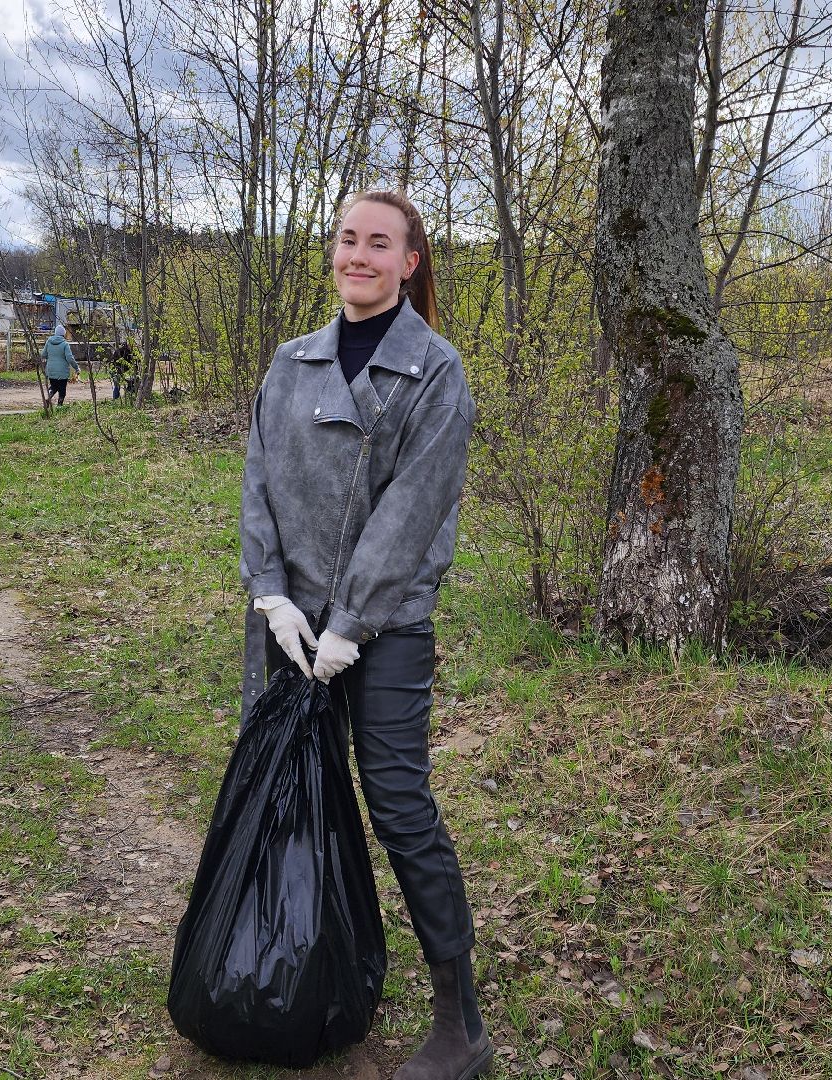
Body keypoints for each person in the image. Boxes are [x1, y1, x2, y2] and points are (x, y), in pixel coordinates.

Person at [238, 190, 489, 1080]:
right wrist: (271, 595)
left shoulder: (436, 373)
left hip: (383, 630)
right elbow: (258, 479)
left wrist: (349, 624)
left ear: (409, 263)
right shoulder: (291, 362)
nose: (359, 255)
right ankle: (287, 977)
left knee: (398, 807)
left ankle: (459, 1024)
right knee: (288, 791)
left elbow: (412, 513)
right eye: (348, 239)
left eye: (379, 243)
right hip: (289, 625)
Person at [43, 324, 74, 406]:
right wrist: (76, 368)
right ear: (63, 334)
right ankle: (60, 406)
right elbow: (70, 358)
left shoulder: (49, 342)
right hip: (62, 372)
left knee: (54, 386)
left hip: (51, 370)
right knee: (62, 389)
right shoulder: (65, 344)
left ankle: (49, 396)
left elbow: (43, 354)